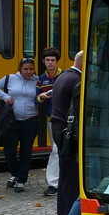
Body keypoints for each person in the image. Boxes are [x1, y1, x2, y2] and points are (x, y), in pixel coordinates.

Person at [0, 57, 40, 192]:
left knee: (26, 151)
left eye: (31, 69)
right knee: (9, 150)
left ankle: (21, 180)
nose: (28, 72)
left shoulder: (37, 80)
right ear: (20, 69)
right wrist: (5, 97)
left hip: (31, 119)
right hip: (12, 121)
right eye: (25, 69)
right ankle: (14, 173)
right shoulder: (10, 78)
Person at [51, 50, 83, 215]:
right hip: (69, 134)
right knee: (72, 181)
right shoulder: (76, 81)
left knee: (66, 179)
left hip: (59, 129)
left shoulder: (64, 77)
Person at [36, 47, 63, 196]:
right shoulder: (41, 79)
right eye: (47, 60)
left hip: (65, 118)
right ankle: (55, 183)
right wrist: (42, 97)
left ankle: (55, 183)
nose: (50, 63)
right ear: (43, 62)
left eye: (53, 60)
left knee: (57, 150)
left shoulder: (64, 75)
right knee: (56, 150)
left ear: (56, 61)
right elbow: (37, 100)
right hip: (51, 119)